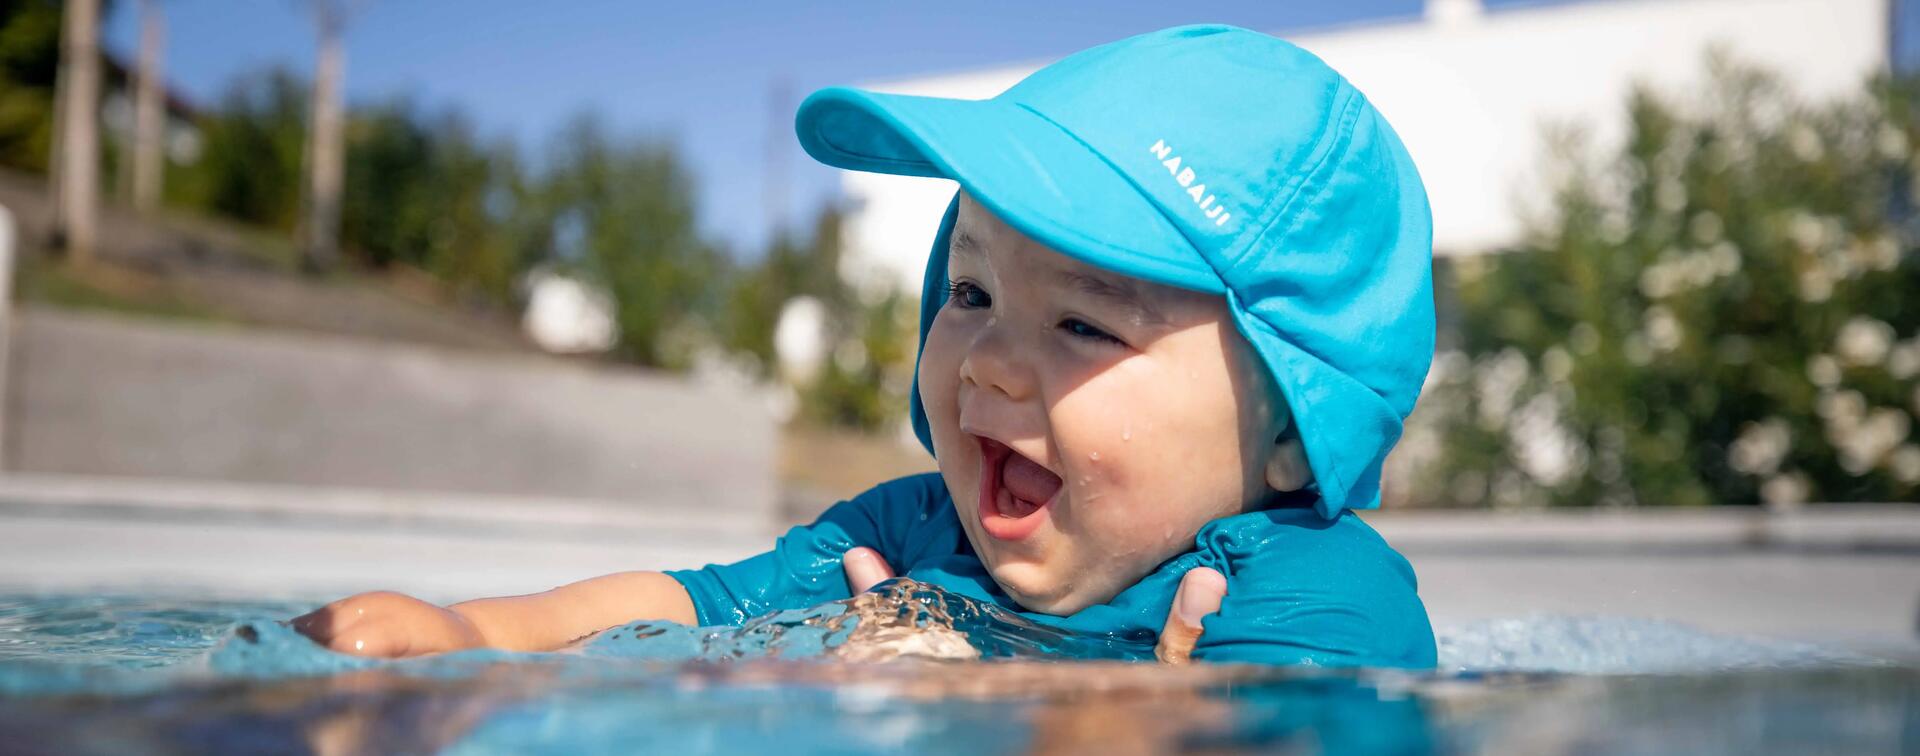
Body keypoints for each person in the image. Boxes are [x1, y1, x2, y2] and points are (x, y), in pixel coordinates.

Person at [295, 24, 1438, 668]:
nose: (987, 360)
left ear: (1291, 428)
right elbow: (690, 607)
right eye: (972, 288)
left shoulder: (1316, 602)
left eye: (1084, 323)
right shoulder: (907, 536)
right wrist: (475, 634)